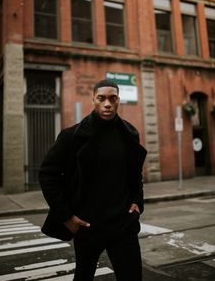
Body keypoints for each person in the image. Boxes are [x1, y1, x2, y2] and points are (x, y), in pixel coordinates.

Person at [39, 79, 147, 281]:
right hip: (87, 225)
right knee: (83, 277)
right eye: (102, 98)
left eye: (112, 98)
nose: (107, 103)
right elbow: (47, 174)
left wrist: (137, 201)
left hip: (123, 225)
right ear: (93, 100)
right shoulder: (72, 136)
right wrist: (66, 217)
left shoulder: (129, 134)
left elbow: (135, 173)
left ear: (118, 101)